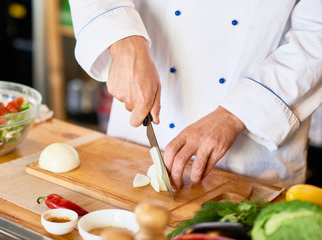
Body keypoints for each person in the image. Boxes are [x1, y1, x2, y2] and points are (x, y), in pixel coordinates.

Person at [68, 0, 322, 190]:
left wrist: (235, 115)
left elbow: (316, 35)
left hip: (252, 161)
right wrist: (124, 42)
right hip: (135, 144)